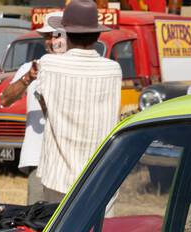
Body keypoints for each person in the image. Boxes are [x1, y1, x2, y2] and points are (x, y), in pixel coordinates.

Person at [35, 0, 122, 202]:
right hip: (100, 174)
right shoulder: (112, 69)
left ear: (66, 33)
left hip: (59, 176)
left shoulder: (49, 64)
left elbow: (44, 106)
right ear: (98, 34)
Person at [0, 13, 66, 203]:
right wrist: (28, 77)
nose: (52, 41)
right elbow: (5, 99)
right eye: (48, 37)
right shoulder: (31, 67)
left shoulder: (76, 68)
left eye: (57, 35)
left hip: (69, 156)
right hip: (38, 157)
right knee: (37, 217)